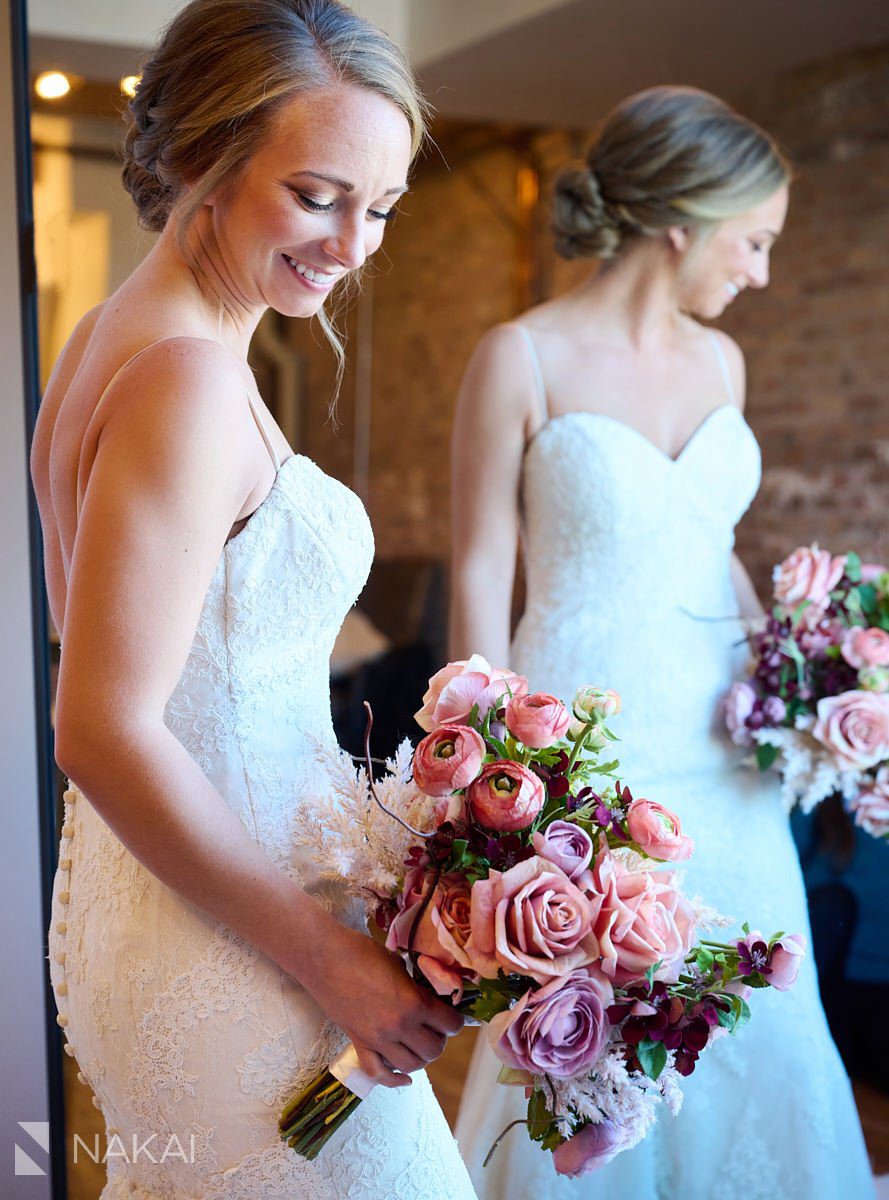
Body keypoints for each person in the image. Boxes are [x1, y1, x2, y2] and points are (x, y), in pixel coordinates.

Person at [31, 2, 476, 1196]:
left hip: (185, 906)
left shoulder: (121, 341)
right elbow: (103, 728)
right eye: (318, 195)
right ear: (198, 163)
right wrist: (332, 961)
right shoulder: (180, 377)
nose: (352, 244)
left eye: (378, 208)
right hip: (238, 951)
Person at [450, 86, 874, 1200]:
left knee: (763, 1015)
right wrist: (485, 776)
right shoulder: (521, 357)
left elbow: (712, 547)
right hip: (593, 757)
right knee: (594, 1038)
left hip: (727, 761)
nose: (762, 271)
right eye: (755, 240)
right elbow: (479, 571)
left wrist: (805, 674)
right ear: (682, 219)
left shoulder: (721, 364)